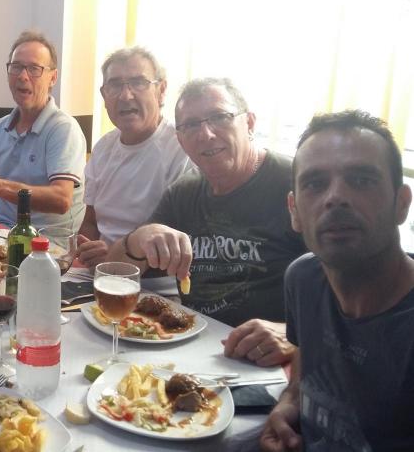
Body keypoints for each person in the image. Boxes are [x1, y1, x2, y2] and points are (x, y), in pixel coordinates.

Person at [105, 77, 306, 366]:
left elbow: (354, 292)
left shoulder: (298, 184)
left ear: (249, 123)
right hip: (193, 350)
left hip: (270, 362)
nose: (206, 134)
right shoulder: (182, 193)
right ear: (180, 140)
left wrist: (293, 334)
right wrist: (137, 240)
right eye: (191, 125)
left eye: (220, 117)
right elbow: (111, 274)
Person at [261, 110, 414, 451]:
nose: (335, 197)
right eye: (315, 184)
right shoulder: (303, 279)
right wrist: (290, 401)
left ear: (401, 204)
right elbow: (305, 364)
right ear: (294, 211)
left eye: (361, 180)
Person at [0, 30, 86, 231]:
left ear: (53, 77)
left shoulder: (63, 129)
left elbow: (61, 200)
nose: (23, 76)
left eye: (34, 69)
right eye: (16, 67)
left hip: (46, 241)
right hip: (1, 232)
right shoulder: (2, 126)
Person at [76, 47, 192, 272]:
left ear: (161, 90)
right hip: (99, 275)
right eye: (115, 85)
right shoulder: (103, 148)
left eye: (138, 83)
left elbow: (179, 245)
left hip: (154, 282)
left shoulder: (182, 149)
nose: (125, 95)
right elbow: (90, 222)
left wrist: (116, 258)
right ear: (104, 95)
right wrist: (88, 250)